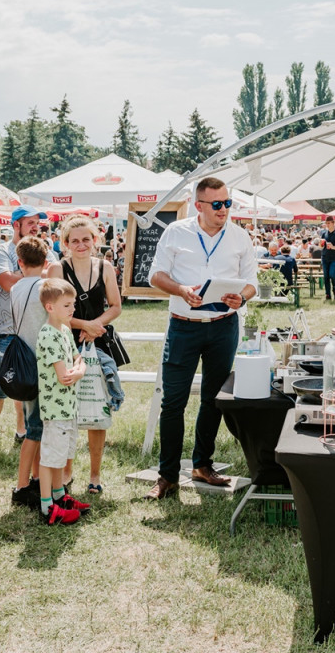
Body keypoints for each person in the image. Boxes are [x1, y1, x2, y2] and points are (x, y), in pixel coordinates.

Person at [145, 177, 257, 500]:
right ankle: (167, 475)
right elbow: (155, 275)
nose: (224, 210)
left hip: (224, 326)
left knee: (214, 399)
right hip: (184, 325)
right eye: (217, 204)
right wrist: (180, 290)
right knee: (173, 402)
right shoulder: (175, 232)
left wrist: (242, 298)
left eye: (227, 203)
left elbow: (251, 280)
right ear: (199, 206)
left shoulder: (239, 236)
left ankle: (202, 465)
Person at [47, 215, 127, 494]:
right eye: (74, 240)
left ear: (95, 241)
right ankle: (67, 470)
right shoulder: (57, 269)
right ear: (65, 243)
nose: (81, 245)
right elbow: (52, 310)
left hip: (98, 346)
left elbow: (116, 306)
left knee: (98, 410)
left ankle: (95, 475)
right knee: (68, 411)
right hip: (66, 346)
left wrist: (96, 327)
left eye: (86, 239)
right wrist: (86, 325)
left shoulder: (104, 266)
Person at [0, 205, 48, 449]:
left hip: (34, 328)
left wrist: (35, 272)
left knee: (28, 384)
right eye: (30, 222)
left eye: (37, 223)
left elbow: (56, 279)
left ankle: (23, 432)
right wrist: (37, 273)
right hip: (5, 330)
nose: (35, 226)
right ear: (15, 225)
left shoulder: (46, 251)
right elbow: (8, 282)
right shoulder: (0, 251)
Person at [35, 278, 90, 525]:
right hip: (55, 407)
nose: (72, 309)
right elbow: (63, 375)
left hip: (68, 406)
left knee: (61, 456)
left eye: (73, 304)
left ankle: (60, 495)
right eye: (67, 305)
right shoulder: (48, 334)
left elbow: (80, 361)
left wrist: (80, 370)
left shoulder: (65, 330)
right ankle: (48, 507)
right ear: (50, 307)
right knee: (50, 459)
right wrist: (78, 371)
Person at [8, 238, 50, 511]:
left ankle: (35, 478)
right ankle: (22, 485)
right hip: (41, 361)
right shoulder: (46, 287)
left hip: (22, 360)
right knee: (36, 428)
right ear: (46, 263)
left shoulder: (16, 287)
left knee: (34, 423)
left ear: (20, 263)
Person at [318, 216, 335, 301]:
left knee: (332, 275)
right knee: (326, 276)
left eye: (328, 223)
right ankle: (327, 294)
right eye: (326, 223)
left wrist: (333, 247)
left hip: (334, 258)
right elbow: (320, 247)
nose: (327, 225)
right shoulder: (324, 233)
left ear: (333, 223)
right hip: (325, 257)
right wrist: (320, 244)